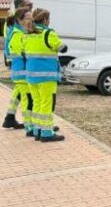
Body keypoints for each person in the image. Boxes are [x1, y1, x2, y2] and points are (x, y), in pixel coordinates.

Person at [25, 9, 65, 142]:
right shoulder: (48, 33)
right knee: (47, 103)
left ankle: (37, 130)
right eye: (49, 19)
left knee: (36, 102)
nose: (49, 21)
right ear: (44, 20)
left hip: (31, 75)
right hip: (47, 76)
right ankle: (47, 133)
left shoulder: (27, 35)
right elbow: (62, 47)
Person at [3, 8, 33, 130]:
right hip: (21, 72)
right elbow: (21, 52)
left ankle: (10, 118)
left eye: (32, 18)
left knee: (22, 96)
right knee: (27, 99)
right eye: (28, 18)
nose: (31, 20)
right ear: (19, 20)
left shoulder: (21, 32)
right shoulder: (17, 34)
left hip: (22, 71)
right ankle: (29, 126)